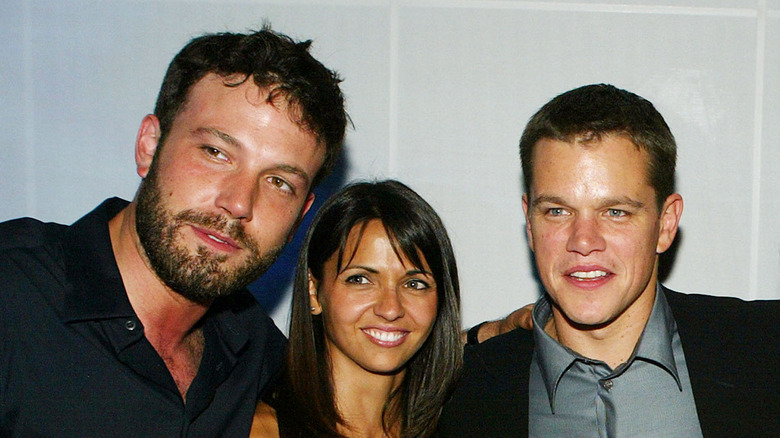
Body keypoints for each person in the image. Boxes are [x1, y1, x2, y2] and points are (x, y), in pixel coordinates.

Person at [0, 27, 347, 437]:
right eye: (216, 153)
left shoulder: (254, 347)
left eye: (278, 182)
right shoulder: (14, 296)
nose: (239, 203)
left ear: (301, 216)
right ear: (149, 145)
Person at [438, 84, 780, 437]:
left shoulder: (765, 353)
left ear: (665, 224)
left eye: (615, 212)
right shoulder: (457, 394)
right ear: (529, 223)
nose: (583, 241)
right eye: (557, 211)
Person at [250, 180, 462, 438]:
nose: (391, 308)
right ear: (314, 291)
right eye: (360, 279)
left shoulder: (468, 421)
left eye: (414, 284)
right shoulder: (261, 431)